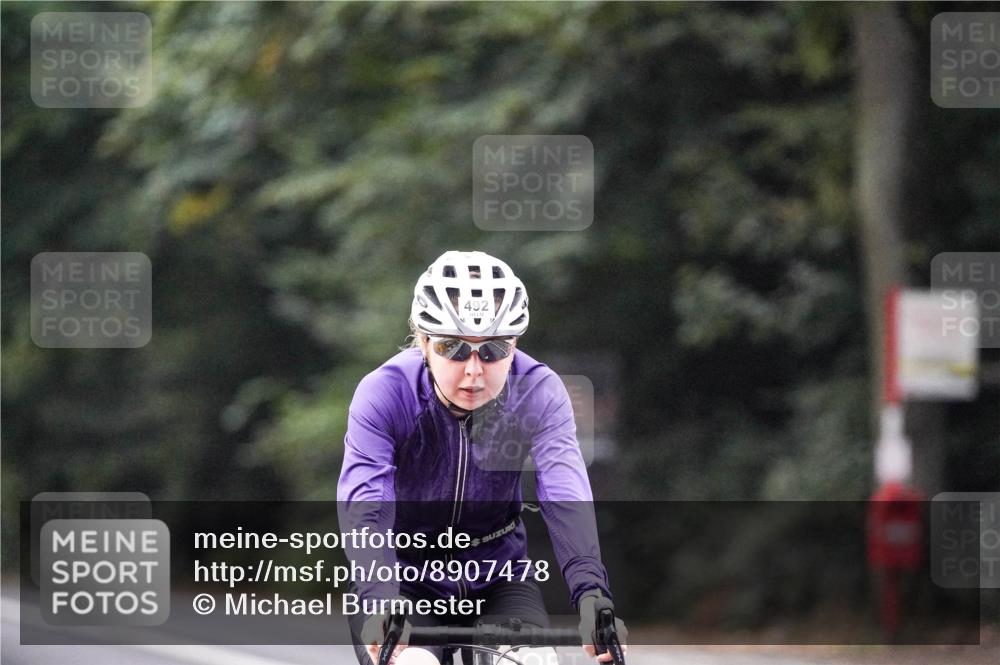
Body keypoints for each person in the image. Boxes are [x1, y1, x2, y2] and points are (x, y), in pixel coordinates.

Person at [338, 250, 626, 665]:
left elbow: (566, 496)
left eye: (492, 350)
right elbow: (366, 509)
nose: (473, 369)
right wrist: (379, 598)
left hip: (499, 576)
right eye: (453, 348)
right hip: (403, 576)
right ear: (423, 342)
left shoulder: (539, 392)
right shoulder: (385, 392)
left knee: (534, 663)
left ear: (514, 345)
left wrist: (592, 595)